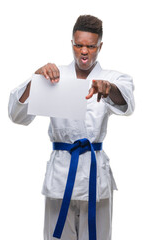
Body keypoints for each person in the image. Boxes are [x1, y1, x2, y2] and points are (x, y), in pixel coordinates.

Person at [8, 15, 135, 240]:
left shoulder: (112, 78)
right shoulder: (53, 76)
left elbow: (127, 105)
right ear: (72, 44)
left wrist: (109, 89)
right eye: (79, 45)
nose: (84, 51)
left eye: (90, 46)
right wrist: (35, 80)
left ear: (100, 46)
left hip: (95, 174)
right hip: (61, 174)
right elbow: (17, 116)